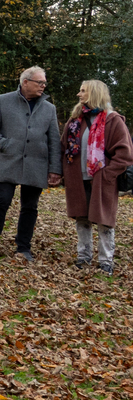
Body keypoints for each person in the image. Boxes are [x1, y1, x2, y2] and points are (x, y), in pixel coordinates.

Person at [0, 66, 62, 262]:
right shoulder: (2, 100)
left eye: (44, 83)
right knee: (1, 202)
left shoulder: (49, 109)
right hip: (8, 161)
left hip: (37, 165)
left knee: (30, 208)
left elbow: (54, 140)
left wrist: (55, 169)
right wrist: (4, 144)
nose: (43, 86)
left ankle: (23, 247)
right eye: (39, 82)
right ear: (25, 82)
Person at [60, 80, 130, 274]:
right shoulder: (75, 119)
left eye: (82, 91)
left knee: (104, 220)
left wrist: (108, 174)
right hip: (78, 178)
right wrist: (63, 171)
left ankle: (106, 261)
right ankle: (83, 257)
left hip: (102, 180)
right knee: (82, 218)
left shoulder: (112, 120)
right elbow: (63, 147)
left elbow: (124, 154)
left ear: (94, 94)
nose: (78, 94)